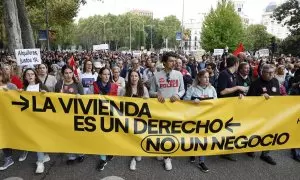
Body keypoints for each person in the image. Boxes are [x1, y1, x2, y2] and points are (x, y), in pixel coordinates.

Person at [150, 52, 185, 171]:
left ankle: (167, 157)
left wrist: (178, 95)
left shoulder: (179, 74)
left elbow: (183, 90)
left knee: (171, 132)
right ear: (164, 62)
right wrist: (157, 94)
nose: (174, 63)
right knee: (161, 131)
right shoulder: (156, 75)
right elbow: (151, 92)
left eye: (175, 61)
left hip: (174, 108)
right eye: (171, 61)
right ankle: (161, 151)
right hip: (160, 109)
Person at [184, 70, 217, 173]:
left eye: (208, 77)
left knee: (203, 139)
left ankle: (201, 161)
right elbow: (184, 100)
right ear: (199, 78)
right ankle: (193, 153)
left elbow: (217, 102)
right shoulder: (192, 88)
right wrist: (192, 101)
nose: (207, 79)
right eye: (205, 77)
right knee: (193, 137)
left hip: (207, 118)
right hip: (194, 117)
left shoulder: (212, 89)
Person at [247, 64, 280, 165]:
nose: (271, 75)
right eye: (268, 73)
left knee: (269, 132)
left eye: (272, 72)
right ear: (262, 72)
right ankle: (251, 148)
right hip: (258, 113)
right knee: (256, 131)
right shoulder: (255, 83)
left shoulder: (275, 81)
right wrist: (259, 97)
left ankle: (265, 154)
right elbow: (249, 99)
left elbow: (278, 96)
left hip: (271, 112)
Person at [217, 55, 247, 161]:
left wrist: (239, 93)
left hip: (232, 106)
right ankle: (223, 151)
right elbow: (222, 91)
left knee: (231, 128)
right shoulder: (224, 74)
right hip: (224, 106)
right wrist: (238, 87)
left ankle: (227, 149)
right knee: (226, 128)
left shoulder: (234, 75)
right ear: (236, 64)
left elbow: (234, 89)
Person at [21, 68, 51, 174]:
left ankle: (40, 161)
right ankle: (44, 155)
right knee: (36, 139)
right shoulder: (24, 88)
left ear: (35, 75)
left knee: (38, 139)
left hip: (41, 118)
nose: (30, 76)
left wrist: (45, 94)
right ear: (25, 77)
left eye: (32, 74)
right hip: (29, 119)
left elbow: (52, 99)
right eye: (27, 74)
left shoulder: (41, 86)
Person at [54, 65, 85, 165]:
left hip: (76, 114)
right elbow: (54, 100)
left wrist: (79, 97)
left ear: (73, 73)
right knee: (67, 135)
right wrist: (59, 95)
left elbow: (84, 100)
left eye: (70, 73)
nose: (68, 75)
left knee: (78, 135)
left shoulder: (78, 84)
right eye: (66, 73)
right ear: (63, 74)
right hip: (64, 114)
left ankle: (81, 153)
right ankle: (71, 156)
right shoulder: (59, 84)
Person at [92, 67, 121, 171]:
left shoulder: (115, 86)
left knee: (110, 136)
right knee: (101, 137)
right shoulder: (94, 85)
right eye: (104, 74)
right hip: (99, 115)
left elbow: (121, 100)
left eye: (108, 74)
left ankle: (111, 151)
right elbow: (89, 99)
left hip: (111, 115)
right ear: (100, 75)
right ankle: (102, 159)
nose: (106, 76)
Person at [121, 70, 149, 171]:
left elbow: (149, 103)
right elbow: (120, 102)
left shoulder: (144, 88)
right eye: (132, 76)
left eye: (136, 76)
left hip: (140, 117)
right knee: (131, 136)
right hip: (129, 117)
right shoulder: (125, 89)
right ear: (129, 78)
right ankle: (133, 157)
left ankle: (138, 152)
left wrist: (146, 99)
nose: (134, 78)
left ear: (139, 77)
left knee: (139, 135)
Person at [0, 68, 18, 171]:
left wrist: (9, 94)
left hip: (10, 117)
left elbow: (18, 100)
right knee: (2, 137)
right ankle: (8, 158)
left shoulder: (11, 86)